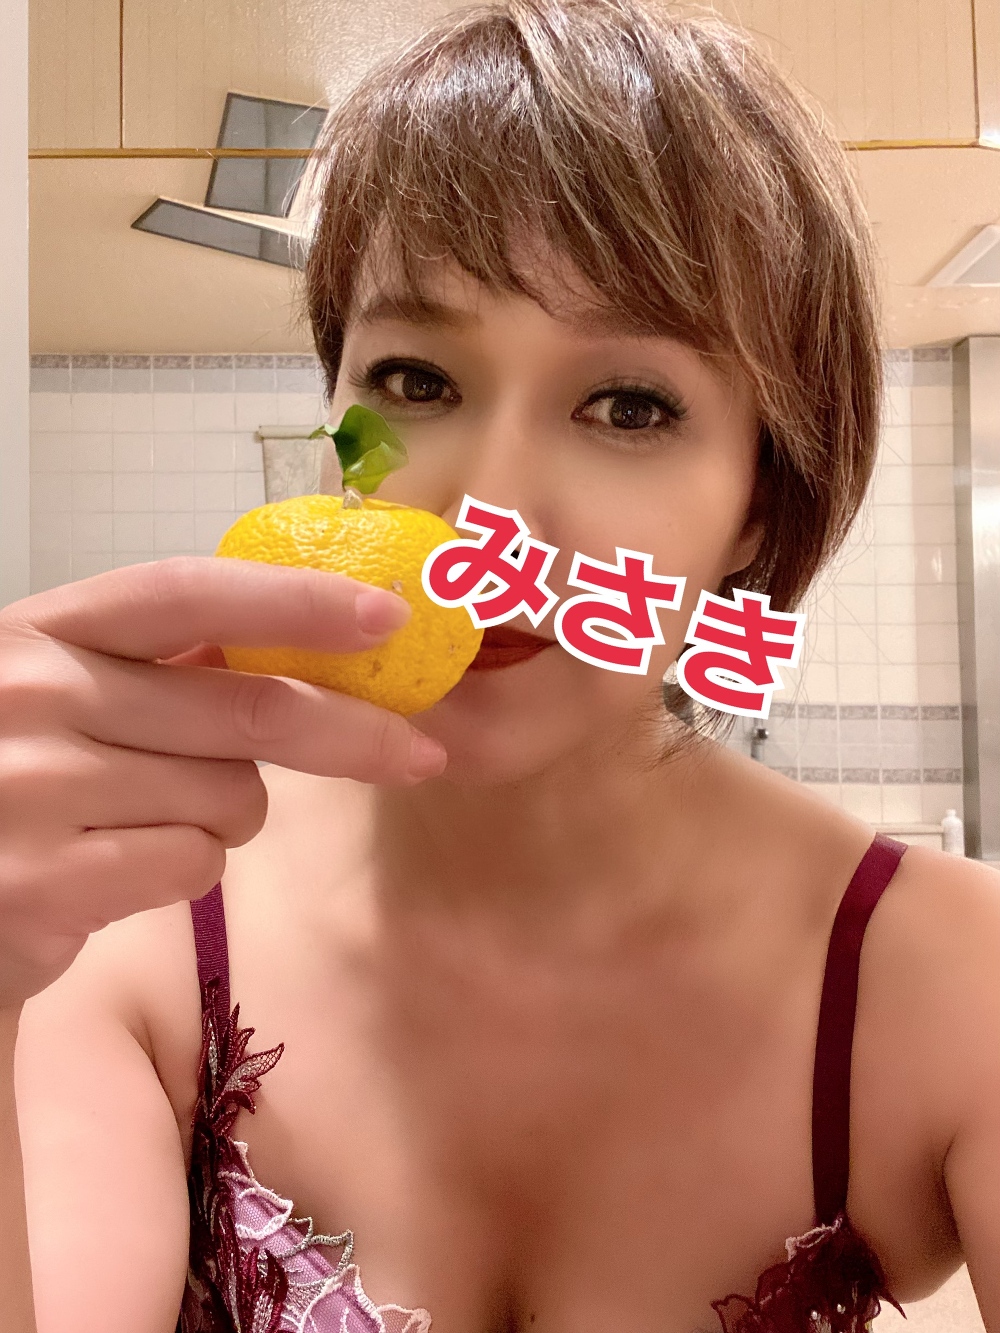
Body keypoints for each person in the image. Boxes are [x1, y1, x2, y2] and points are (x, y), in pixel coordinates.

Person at [3, 2, 1000, 1330]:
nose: (489, 513)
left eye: (629, 405)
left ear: (761, 504)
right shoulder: (136, 920)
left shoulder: (945, 977)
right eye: (416, 380)